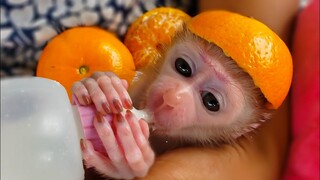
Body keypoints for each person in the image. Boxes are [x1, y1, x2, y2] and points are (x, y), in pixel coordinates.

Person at [1, 0, 302, 179]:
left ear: (241, 129)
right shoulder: (128, 79)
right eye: (183, 67)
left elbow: (263, 153)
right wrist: (89, 94)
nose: (174, 96)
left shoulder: (215, 156)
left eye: (211, 101)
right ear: (167, 44)